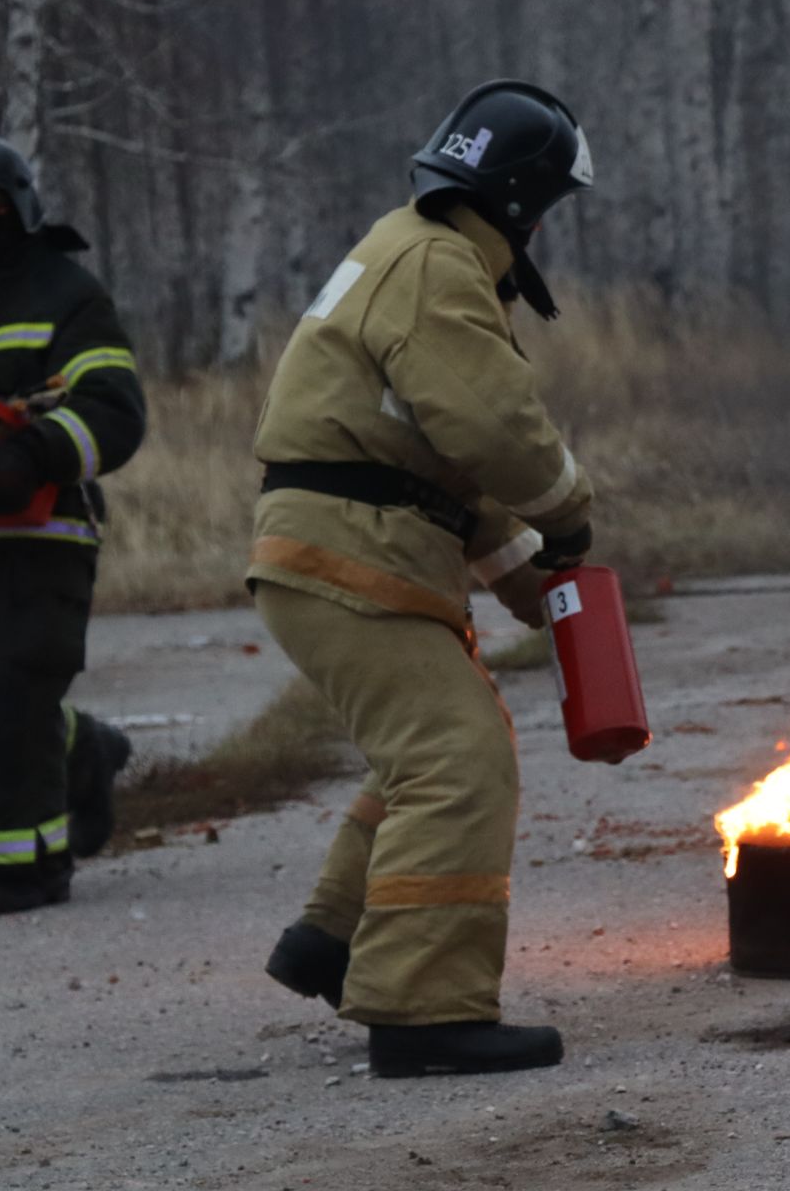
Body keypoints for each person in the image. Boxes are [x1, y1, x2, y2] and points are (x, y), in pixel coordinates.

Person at [251, 81, 596, 1077]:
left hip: (343, 536)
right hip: (350, 544)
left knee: (425, 749)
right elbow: (497, 428)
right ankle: (422, 1012)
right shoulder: (441, 269)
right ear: (523, 199)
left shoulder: (406, 249)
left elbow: (433, 454)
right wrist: (569, 510)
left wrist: (528, 574)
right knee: (457, 756)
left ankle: (335, 939)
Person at [0, 127, 143, 918]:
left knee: (4, 689)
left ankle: (29, 867)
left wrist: (31, 454)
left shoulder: (63, 294)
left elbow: (113, 407)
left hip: (38, 533)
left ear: (13, 210)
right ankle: (79, 746)